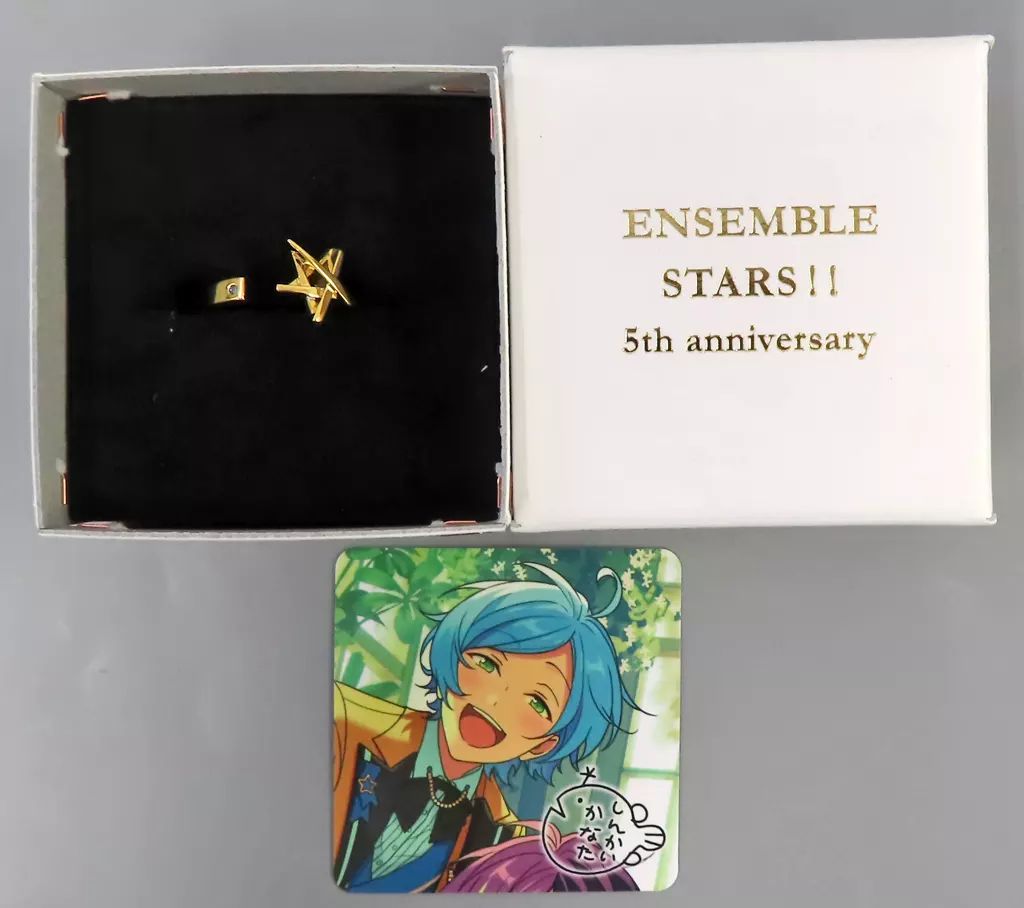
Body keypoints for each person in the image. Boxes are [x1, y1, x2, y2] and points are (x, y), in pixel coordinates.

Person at [332, 562, 638, 892]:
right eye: (487, 663)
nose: (495, 700)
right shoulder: (341, 722)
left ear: (543, 744)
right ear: (451, 652)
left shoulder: (504, 840)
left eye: (537, 702)